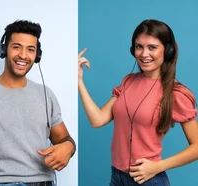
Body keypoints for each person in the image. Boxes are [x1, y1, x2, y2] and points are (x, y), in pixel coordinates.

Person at [78, 19, 198, 185]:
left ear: (168, 51)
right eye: (139, 46)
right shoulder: (128, 81)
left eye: (152, 47)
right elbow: (97, 120)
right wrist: (79, 81)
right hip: (117, 176)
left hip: (148, 179)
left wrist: (158, 166)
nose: (143, 54)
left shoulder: (175, 93)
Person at [0, 20, 76, 186]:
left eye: (30, 49)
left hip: (45, 182)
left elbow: (64, 138)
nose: (23, 55)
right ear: (4, 49)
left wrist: (68, 148)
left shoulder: (46, 94)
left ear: (37, 55)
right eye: (16, 47)